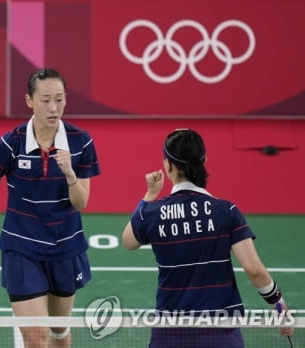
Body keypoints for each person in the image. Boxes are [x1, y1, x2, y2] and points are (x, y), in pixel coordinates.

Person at [0, 68, 100, 347]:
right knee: (35, 337)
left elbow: (81, 203)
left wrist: (70, 173)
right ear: (29, 101)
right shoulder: (10, 144)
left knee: (59, 333)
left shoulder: (81, 142)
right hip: (22, 249)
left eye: (59, 99)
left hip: (65, 248)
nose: (53, 107)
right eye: (45, 100)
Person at [121, 129, 294, 347]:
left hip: (170, 329)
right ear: (205, 161)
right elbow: (254, 270)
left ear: (168, 165)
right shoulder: (226, 211)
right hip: (220, 330)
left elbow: (128, 241)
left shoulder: (153, 213)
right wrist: (279, 304)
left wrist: (150, 194)